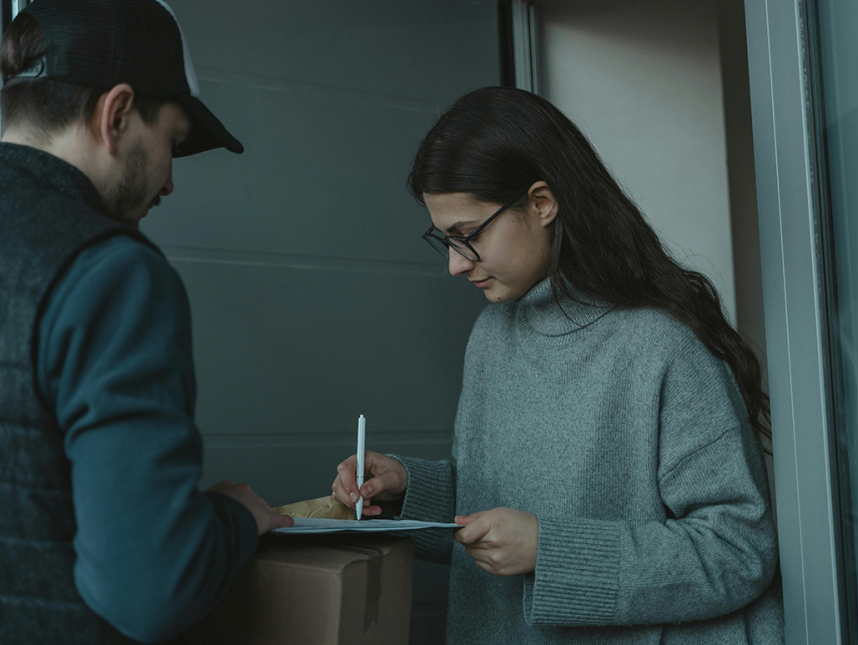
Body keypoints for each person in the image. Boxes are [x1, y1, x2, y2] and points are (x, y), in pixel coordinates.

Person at [0, 1, 291, 643]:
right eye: (173, 142)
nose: (168, 184)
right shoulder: (112, 275)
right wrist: (234, 518)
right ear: (118, 114)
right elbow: (150, 593)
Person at [332, 87, 783, 644]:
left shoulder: (661, 347)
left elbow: (738, 551)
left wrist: (552, 551)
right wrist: (406, 492)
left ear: (542, 202)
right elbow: (505, 508)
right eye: (443, 240)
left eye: (467, 236)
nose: (453, 264)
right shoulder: (492, 336)